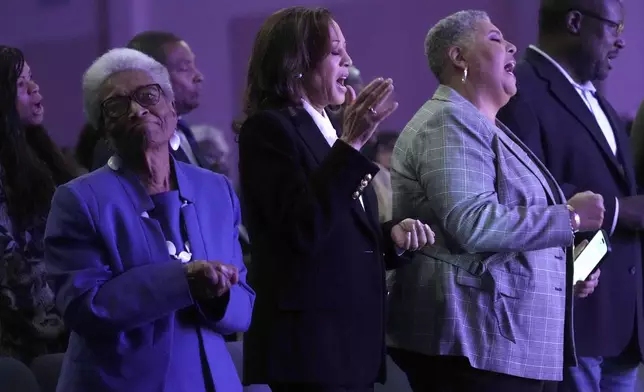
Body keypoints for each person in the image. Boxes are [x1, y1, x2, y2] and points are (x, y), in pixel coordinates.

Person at [387, 10, 606, 392]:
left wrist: (566, 272)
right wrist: (569, 218)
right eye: (494, 38)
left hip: (506, 345)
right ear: (459, 58)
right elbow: (474, 224)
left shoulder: (486, 126)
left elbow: (502, 237)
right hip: (473, 346)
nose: (511, 46)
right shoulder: (449, 121)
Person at [237, 6, 434, 392]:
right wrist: (353, 143)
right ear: (296, 62)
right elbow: (300, 230)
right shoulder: (270, 130)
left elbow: (339, 229)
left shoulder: (331, 128)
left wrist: (388, 238)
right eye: (334, 51)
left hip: (349, 348)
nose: (349, 60)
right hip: (308, 352)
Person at [44, 48, 255, 392]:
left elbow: (243, 304)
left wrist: (217, 295)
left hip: (212, 380)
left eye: (148, 95)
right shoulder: (77, 200)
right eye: (116, 105)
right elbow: (85, 307)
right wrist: (184, 280)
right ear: (103, 129)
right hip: (120, 381)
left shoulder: (215, 189)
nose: (137, 109)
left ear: (172, 107)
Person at [496, 1, 644, 390]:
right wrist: (614, 211)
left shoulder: (601, 103)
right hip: (571, 319)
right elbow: (519, 188)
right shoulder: (520, 90)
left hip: (620, 323)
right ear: (575, 22)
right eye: (615, 27)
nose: (622, 41)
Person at [0, 46, 76, 364]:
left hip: (66, 317)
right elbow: (10, 264)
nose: (35, 88)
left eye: (32, 79)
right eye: (20, 84)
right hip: (25, 337)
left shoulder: (41, 153)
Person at [92, 31, 207, 170]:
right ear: (150, 76)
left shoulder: (183, 131)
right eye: (184, 68)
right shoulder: (120, 145)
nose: (199, 76)